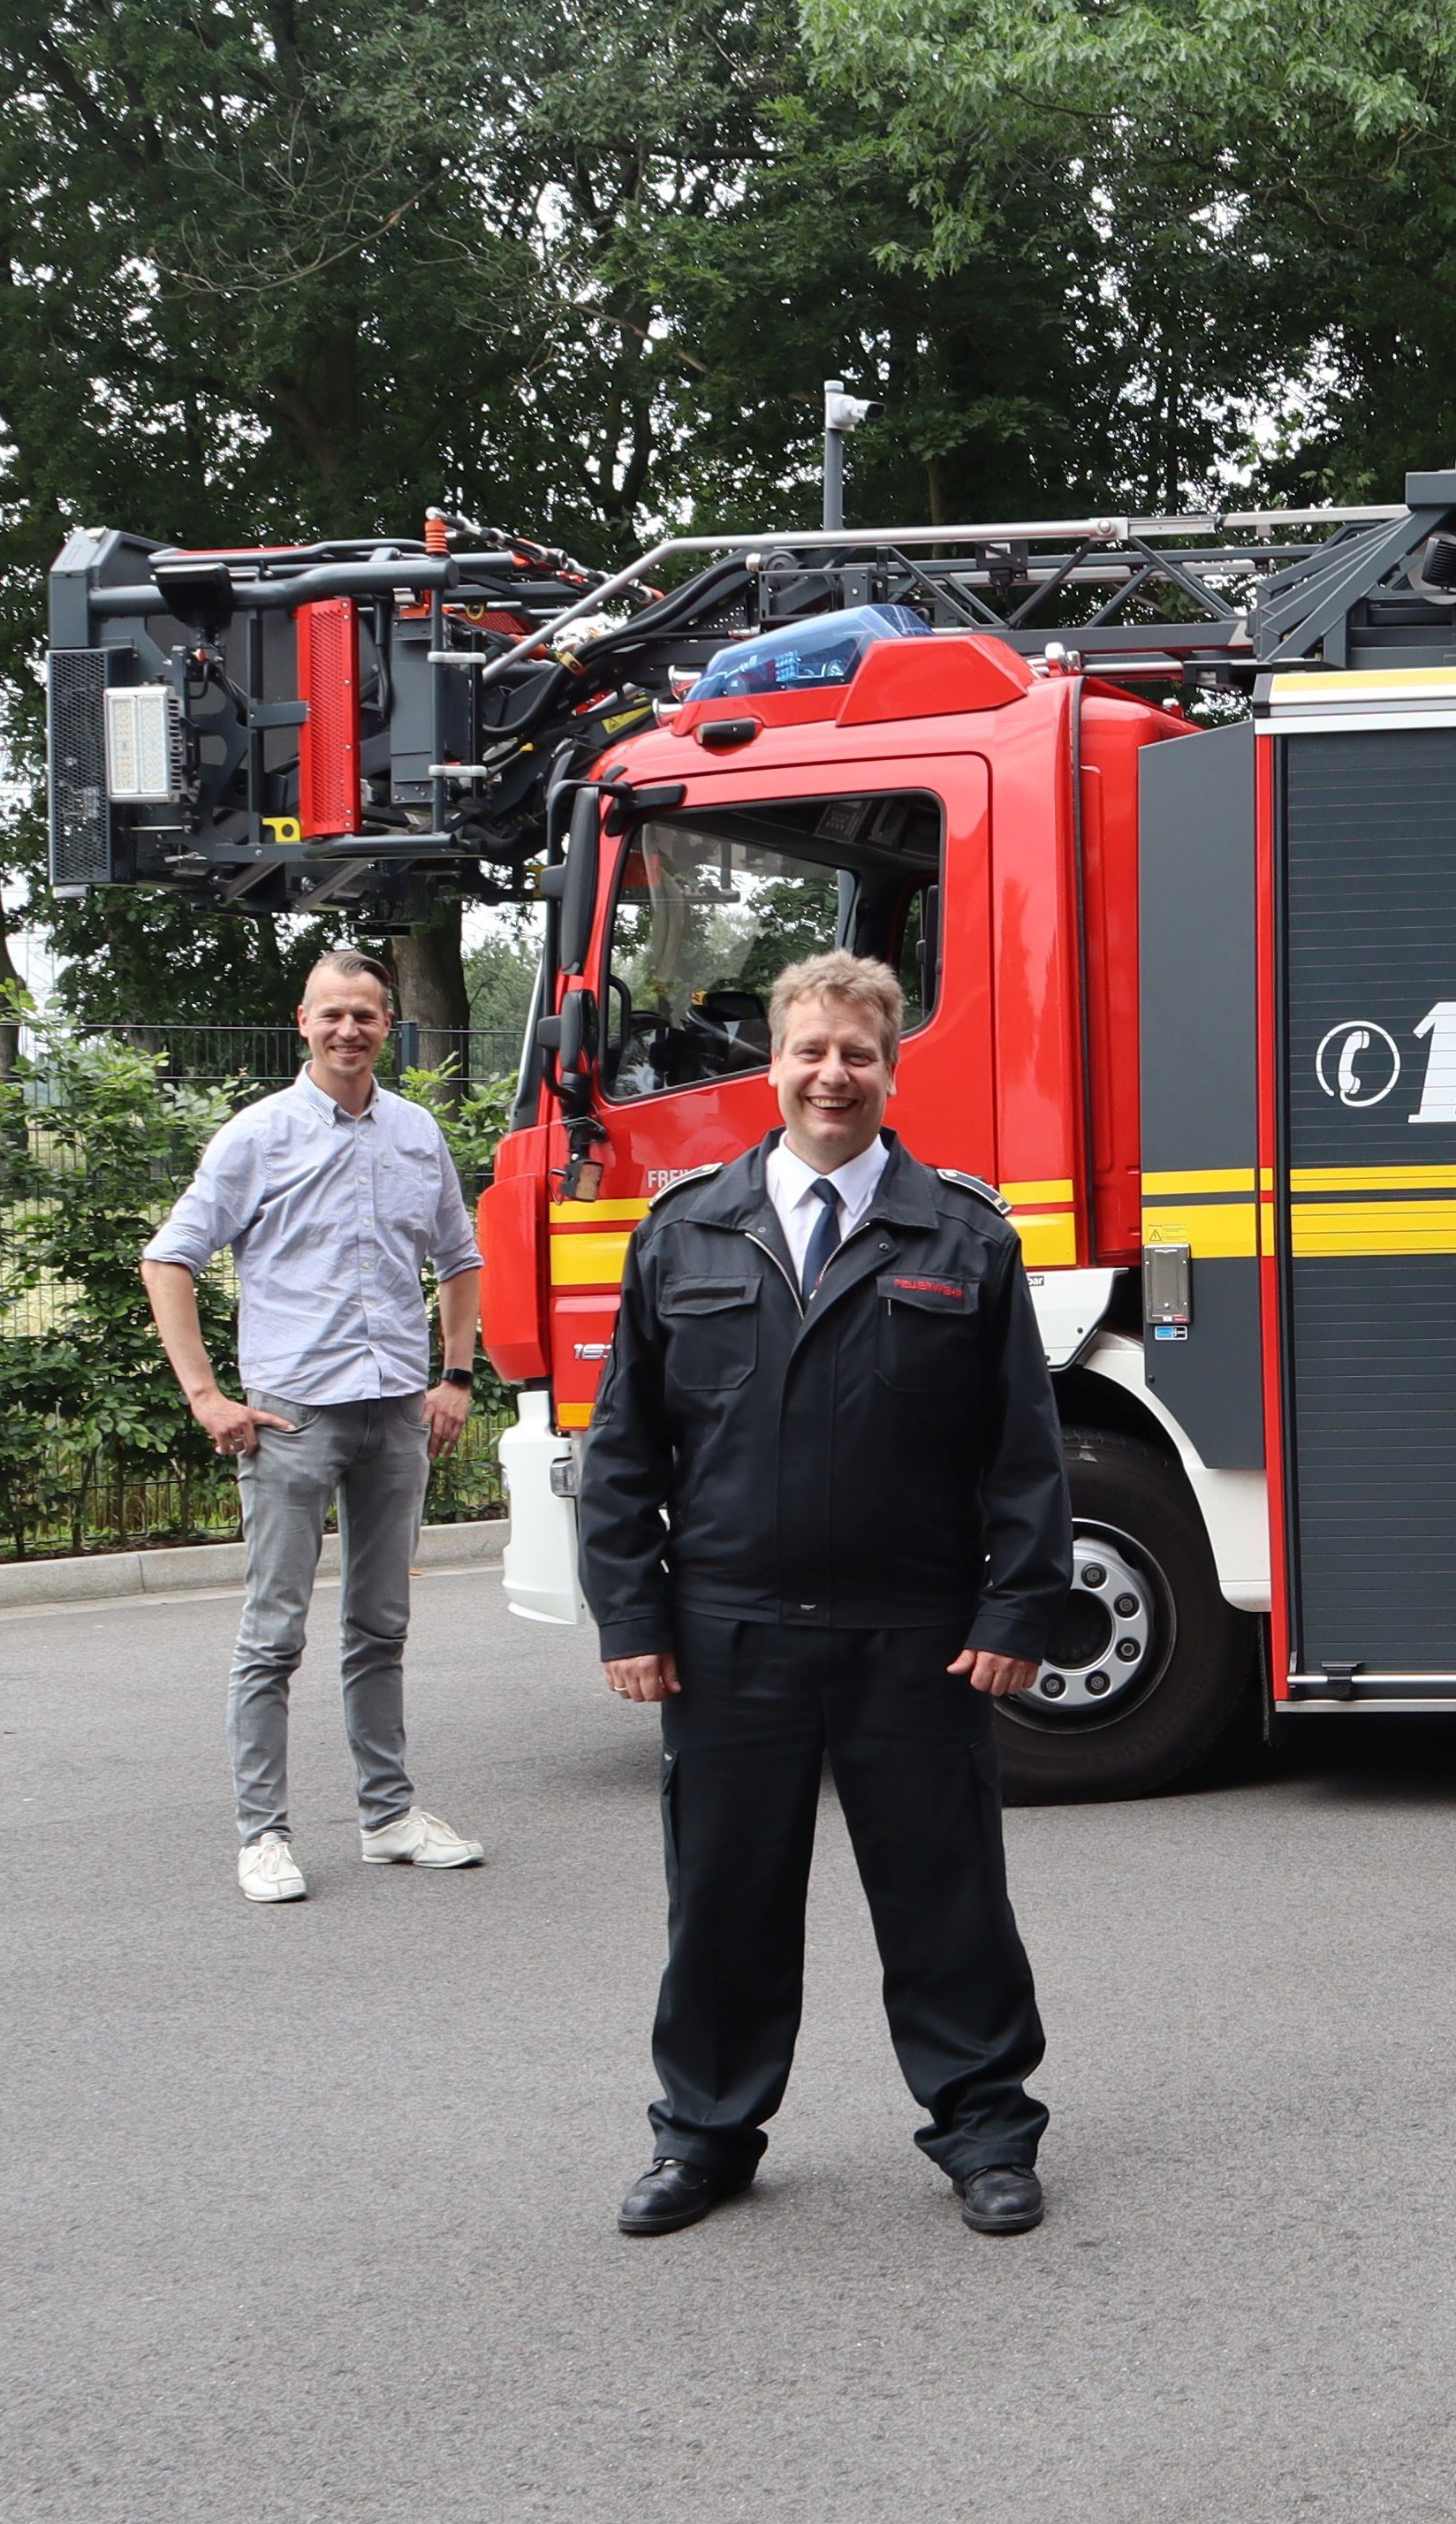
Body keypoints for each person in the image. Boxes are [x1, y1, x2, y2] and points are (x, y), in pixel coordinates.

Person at [577, 951, 1076, 2241]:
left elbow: (1022, 1454)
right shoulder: (686, 1228)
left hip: (914, 1634)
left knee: (946, 1896)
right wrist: (629, 1616)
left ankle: (983, 2131)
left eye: (858, 1053)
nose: (832, 1075)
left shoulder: (962, 1234)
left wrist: (1015, 1612)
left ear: (892, 1067)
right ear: (776, 1063)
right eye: (810, 1050)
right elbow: (625, 1451)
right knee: (726, 1902)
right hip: (729, 1631)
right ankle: (704, 2136)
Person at [140, 946, 492, 1903]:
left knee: (381, 1624)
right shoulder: (257, 1135)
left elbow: (461, 1257)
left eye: (366, 1015)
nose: (349, 1030)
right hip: (291, 1420)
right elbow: (169, 1259)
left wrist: (454, 1375)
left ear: (388, 1026)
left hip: (394, 1414)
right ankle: (263, 1833)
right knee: (274, 1635)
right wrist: (207, 1397)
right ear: (303, 1021)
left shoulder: (416, 1133)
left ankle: (387, 1816)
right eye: (331, 1014)